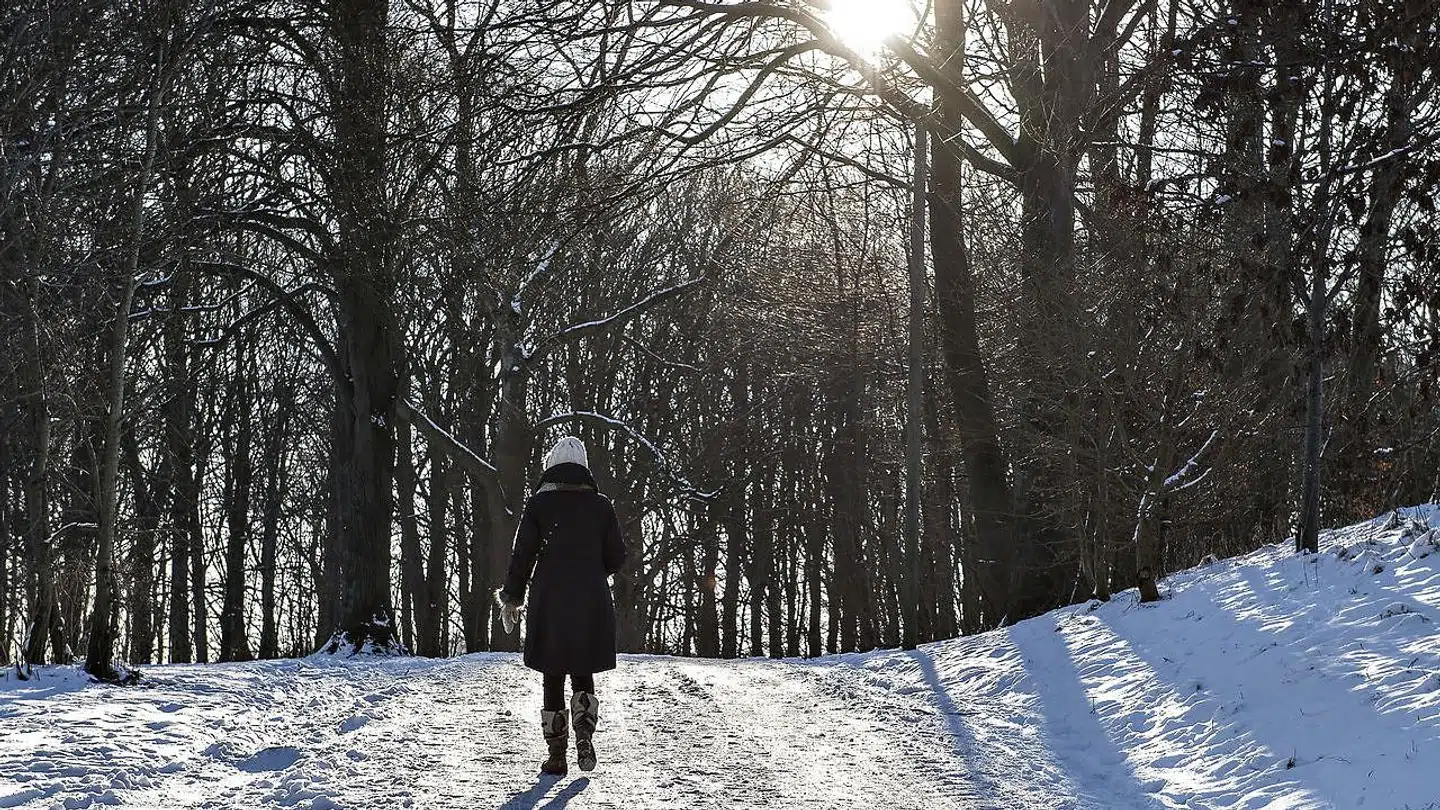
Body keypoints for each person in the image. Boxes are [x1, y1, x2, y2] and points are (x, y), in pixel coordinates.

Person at [495, 436, 628, 776]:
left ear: (551, 465)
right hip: (590, 598)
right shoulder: (601, 506)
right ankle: (585, 731)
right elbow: (616, 558)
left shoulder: (539, 506)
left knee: (552, 676)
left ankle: (556, 755)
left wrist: (512, 596)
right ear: (584, 468)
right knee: (583, 671)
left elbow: (522, 555)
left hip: (549, 599)